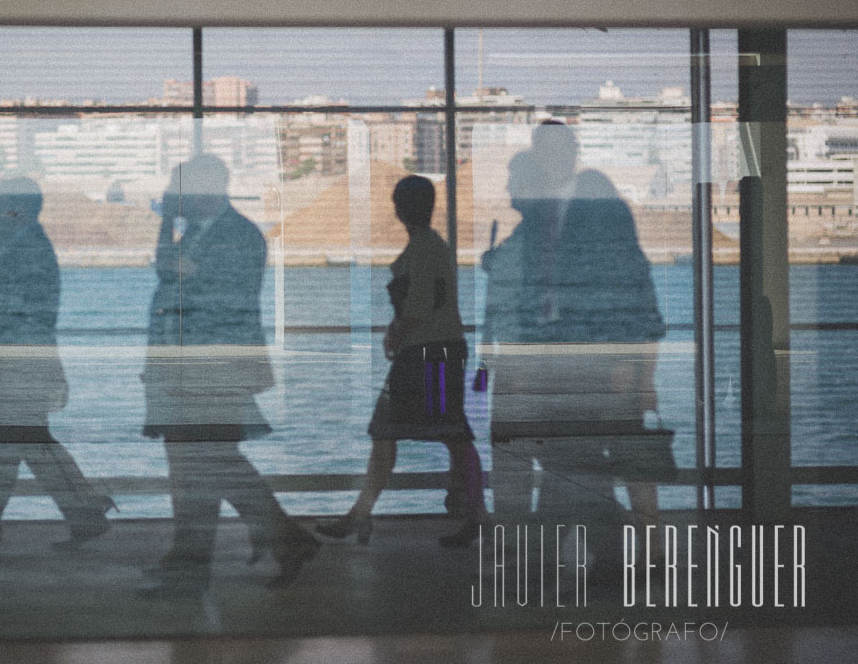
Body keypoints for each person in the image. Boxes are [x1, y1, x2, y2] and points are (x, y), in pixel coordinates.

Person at [483, 122, 666, 575]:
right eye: (542, 152)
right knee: (578, 459)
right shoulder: (539, 215)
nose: (549, 161)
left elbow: (627, 283)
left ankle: (590, 554)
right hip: (557, 358)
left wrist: (630, 361)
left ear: (572, 154)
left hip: (591, 358)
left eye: (556, 151)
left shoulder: (599, 207)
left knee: (584, 458)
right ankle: (602, 555)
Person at [141, 154, 317, 598]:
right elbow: (167, 271)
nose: (173, 196)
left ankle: (196, 564)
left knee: (203, 465)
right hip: (184, 370)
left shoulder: (239, 235)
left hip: (212, 370)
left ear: (205, 190)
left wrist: (188, 272)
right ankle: (277, 540)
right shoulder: (196, 233)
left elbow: (225, 299)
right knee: (198, 465)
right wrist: (166, 225)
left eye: (178, 187)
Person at [316, 175, 485, 547]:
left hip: (428, 354)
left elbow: (420, 306)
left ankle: (361, 515)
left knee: (407, 431)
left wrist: (396, 332)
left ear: (399, 209)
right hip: (437, 353)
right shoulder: (431, 246)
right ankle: (472, 513)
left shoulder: (424, 249)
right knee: (444, 432)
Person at [0, 177, 113, 554]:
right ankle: (79, 512)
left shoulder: (24, 247)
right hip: (22, 357)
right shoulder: (22, 243)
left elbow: (20, 306)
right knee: (16, 440)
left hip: (19, 358)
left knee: (17, 440)